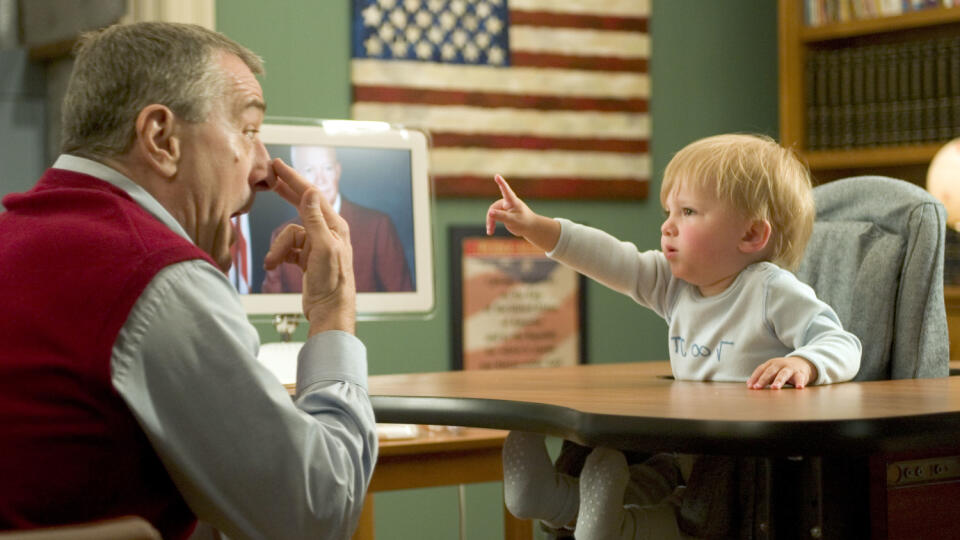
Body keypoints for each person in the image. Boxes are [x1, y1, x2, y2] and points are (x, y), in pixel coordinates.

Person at [0, 22, 376, 540]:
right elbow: (315, 516)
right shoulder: (153, 278)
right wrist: (334, 311)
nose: (266, 168)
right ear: (161, 138)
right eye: (248, 131)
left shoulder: (17, 237)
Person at [485, 133, 862, 539]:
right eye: (669, 211)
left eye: (688, 211)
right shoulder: (676, 286)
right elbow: (613, 259)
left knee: (695, 508)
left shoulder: (770, 290)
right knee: (650, 471)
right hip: (687, 451)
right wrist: (536, 228)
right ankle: (559, 500)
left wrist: (803, 362)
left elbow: (843, 344)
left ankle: (616, 528)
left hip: (744, 465)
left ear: (751, 235)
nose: (667, 226)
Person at [260, 145, 414, 293]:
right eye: (309, 170)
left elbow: (405, 303)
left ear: (337, 171)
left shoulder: (378, 227)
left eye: (327, 168)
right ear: (295, 177)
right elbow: (269, 310)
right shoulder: (281, 236)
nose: (321, 180)